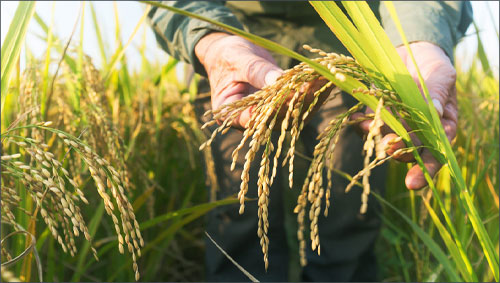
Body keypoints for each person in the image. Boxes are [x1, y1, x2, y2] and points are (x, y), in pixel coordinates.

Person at [147, 2, 472, 281]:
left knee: (347, 204)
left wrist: (420, 42)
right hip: (231, 32)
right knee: (238, 206)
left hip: (349, 40)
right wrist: (211, 39)